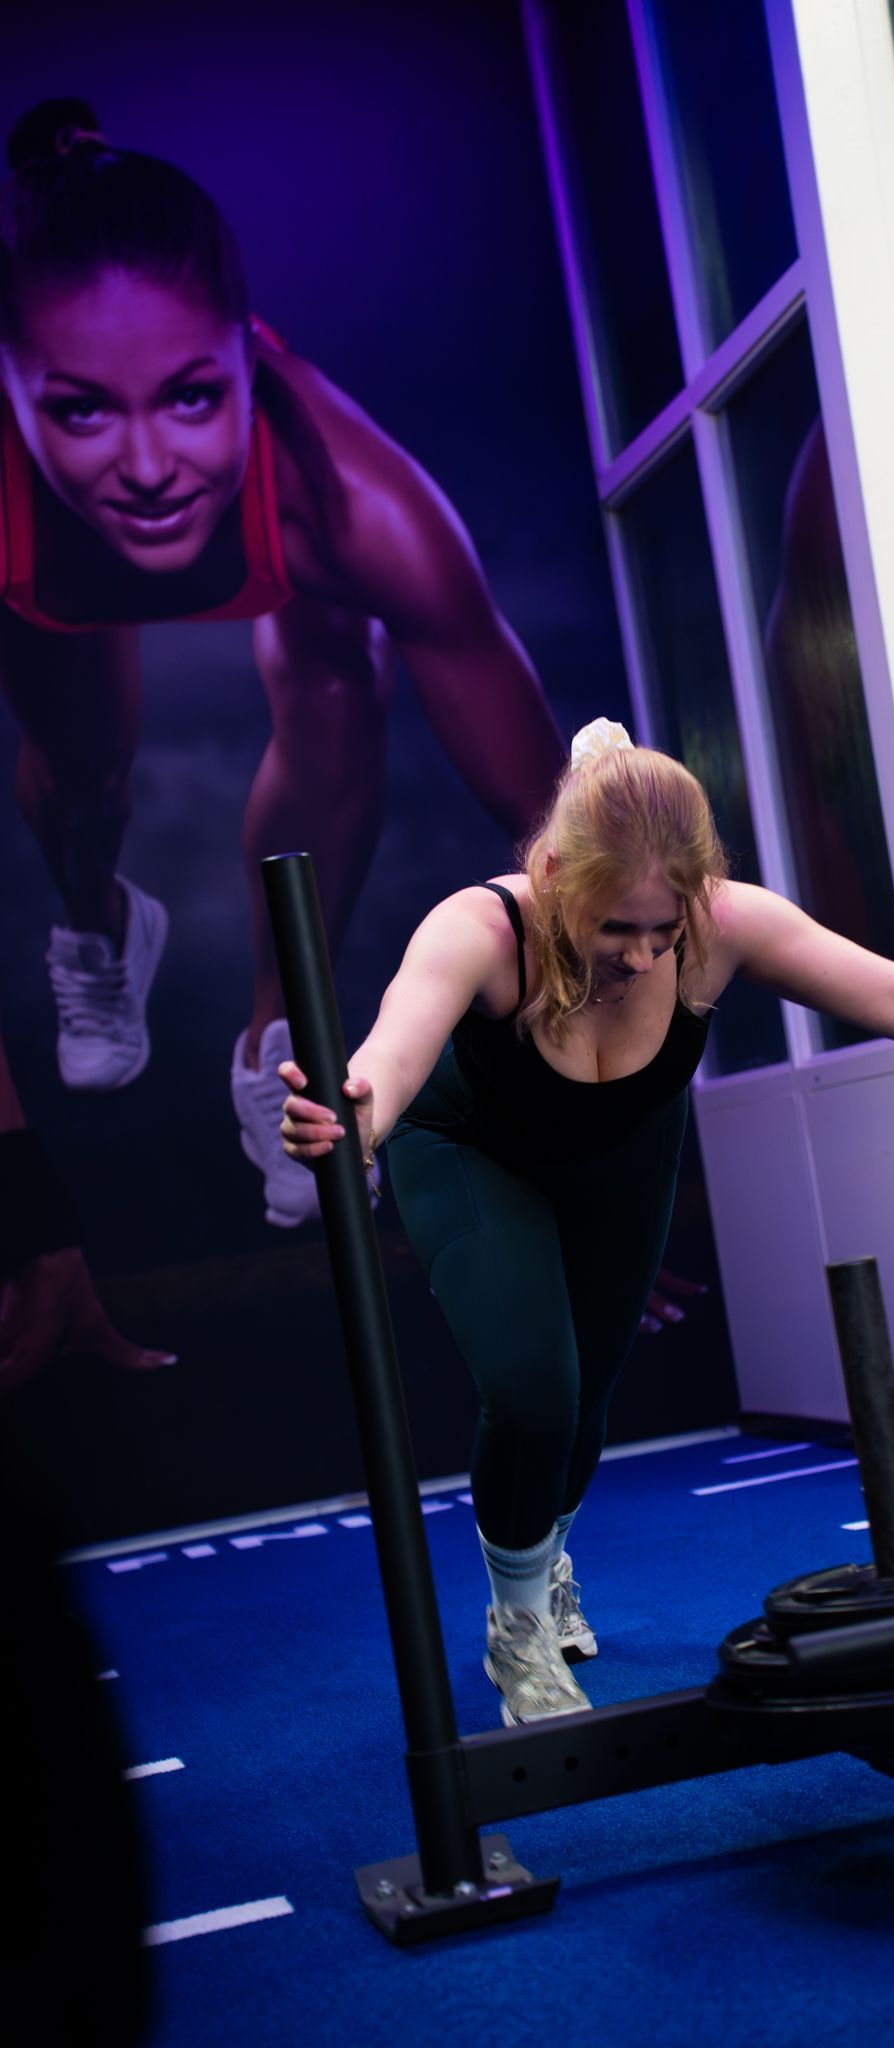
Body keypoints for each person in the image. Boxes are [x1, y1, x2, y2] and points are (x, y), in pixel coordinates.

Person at [280, 721, 894, 1728]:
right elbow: (394, 1043)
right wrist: (358, 1115)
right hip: (471, 1144)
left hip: (620, 1150)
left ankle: (546, 1552)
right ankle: (519, 1621)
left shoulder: (721, 923)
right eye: (618, 930)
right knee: (534, 1390)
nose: (645, 954)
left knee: (586, 1399)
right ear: (558, 873)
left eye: (666, 930)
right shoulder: (482, 929)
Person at [0, 98, 563, 1238]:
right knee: (82, 777)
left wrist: (586, 1143)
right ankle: (97, 917)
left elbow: (560, 838)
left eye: (193, 396)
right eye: (81, 411)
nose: (151, 465)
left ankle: (277, 1041)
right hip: (57, 582)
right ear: (12, 386)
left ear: (247, 359)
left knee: (340, 670)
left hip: (288, 567)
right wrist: (20, 1194)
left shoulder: (357, 507)